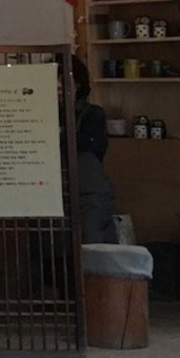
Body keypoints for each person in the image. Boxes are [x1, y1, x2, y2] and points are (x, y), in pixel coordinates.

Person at [72, 56, 118, 244]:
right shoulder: (41, 115)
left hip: (91, 197)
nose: (57, 85)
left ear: (79, 84)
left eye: (63, 79)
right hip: (56, 196)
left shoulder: (93, 113)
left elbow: (91, 144)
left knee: (91, 245)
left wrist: (60, 132)